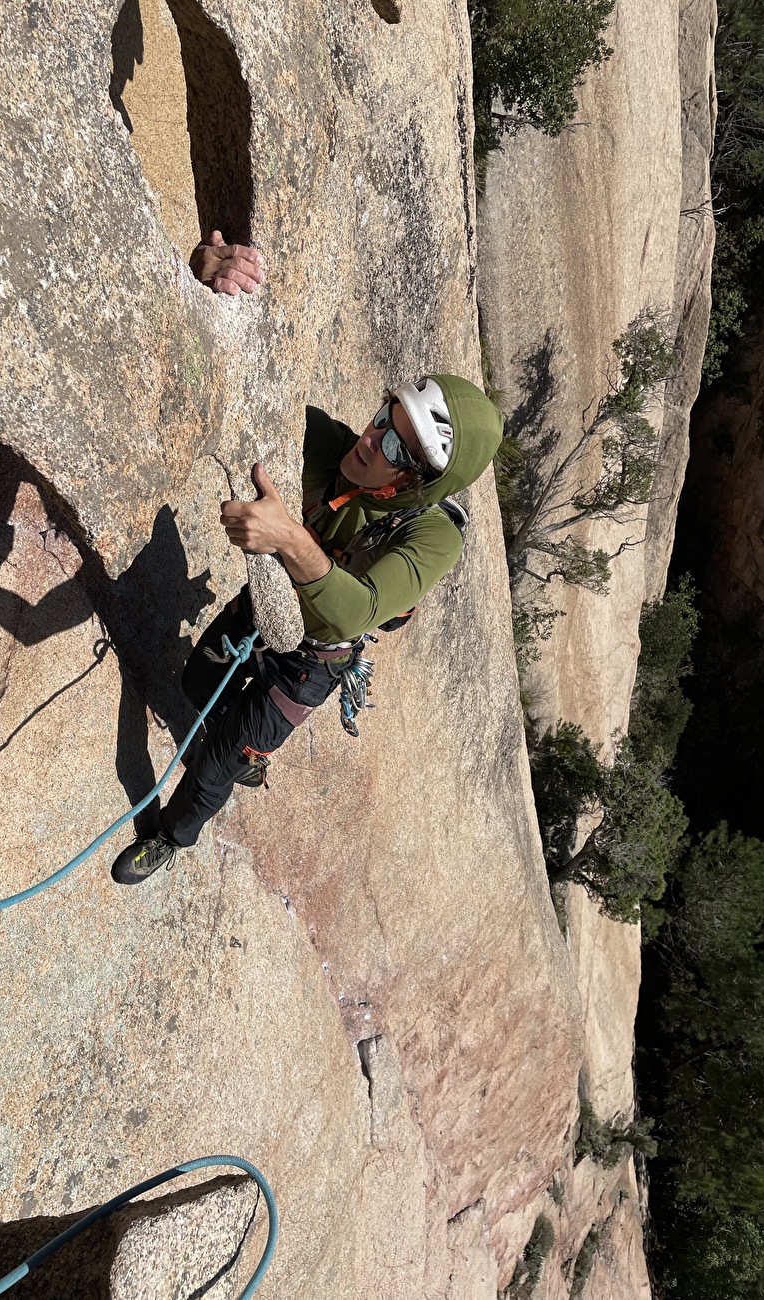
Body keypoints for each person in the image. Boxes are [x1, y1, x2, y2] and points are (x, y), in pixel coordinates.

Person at [111, 236, 504, 884]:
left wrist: (290, 539)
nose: (373, 441)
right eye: (386, 416)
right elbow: (239, 385)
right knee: (195, 689)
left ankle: (173, 838)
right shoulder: (327, 442)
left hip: (310, 664)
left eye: (401, 451)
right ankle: (244, 750)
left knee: (214, 767)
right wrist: (207, 282)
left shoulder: (433, 539)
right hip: (262, 613)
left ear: (425, 481)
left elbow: (353, 613)